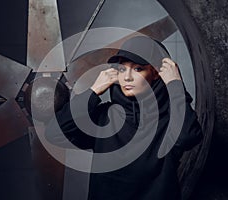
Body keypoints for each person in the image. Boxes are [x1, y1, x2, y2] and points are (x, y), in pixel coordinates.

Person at [46, 35, 203, 199]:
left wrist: (175, 85)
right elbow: (55, 133)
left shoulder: (170, 118)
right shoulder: (105, 117)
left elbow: (188, 136)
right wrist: (93, 91)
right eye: (122, 69)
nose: (127, 77)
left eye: (137, 69)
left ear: (156, 73)